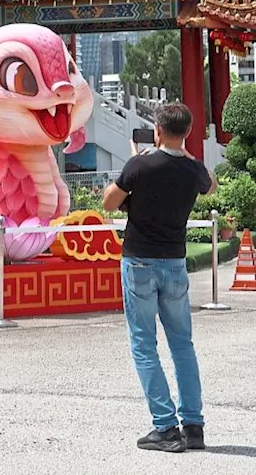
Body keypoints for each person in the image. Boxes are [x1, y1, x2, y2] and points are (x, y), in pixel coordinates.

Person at [103, 102, 215, 453]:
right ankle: (193, 425)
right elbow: (210, 185)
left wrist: (138, 157)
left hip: (139, 261)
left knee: (144, 345)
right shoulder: (193, 170)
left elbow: (109, 202)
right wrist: (184, 150)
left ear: (157, 130)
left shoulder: (140, 164)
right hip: (174, 263)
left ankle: (165, 427)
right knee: (182, 344)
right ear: (186, 133)